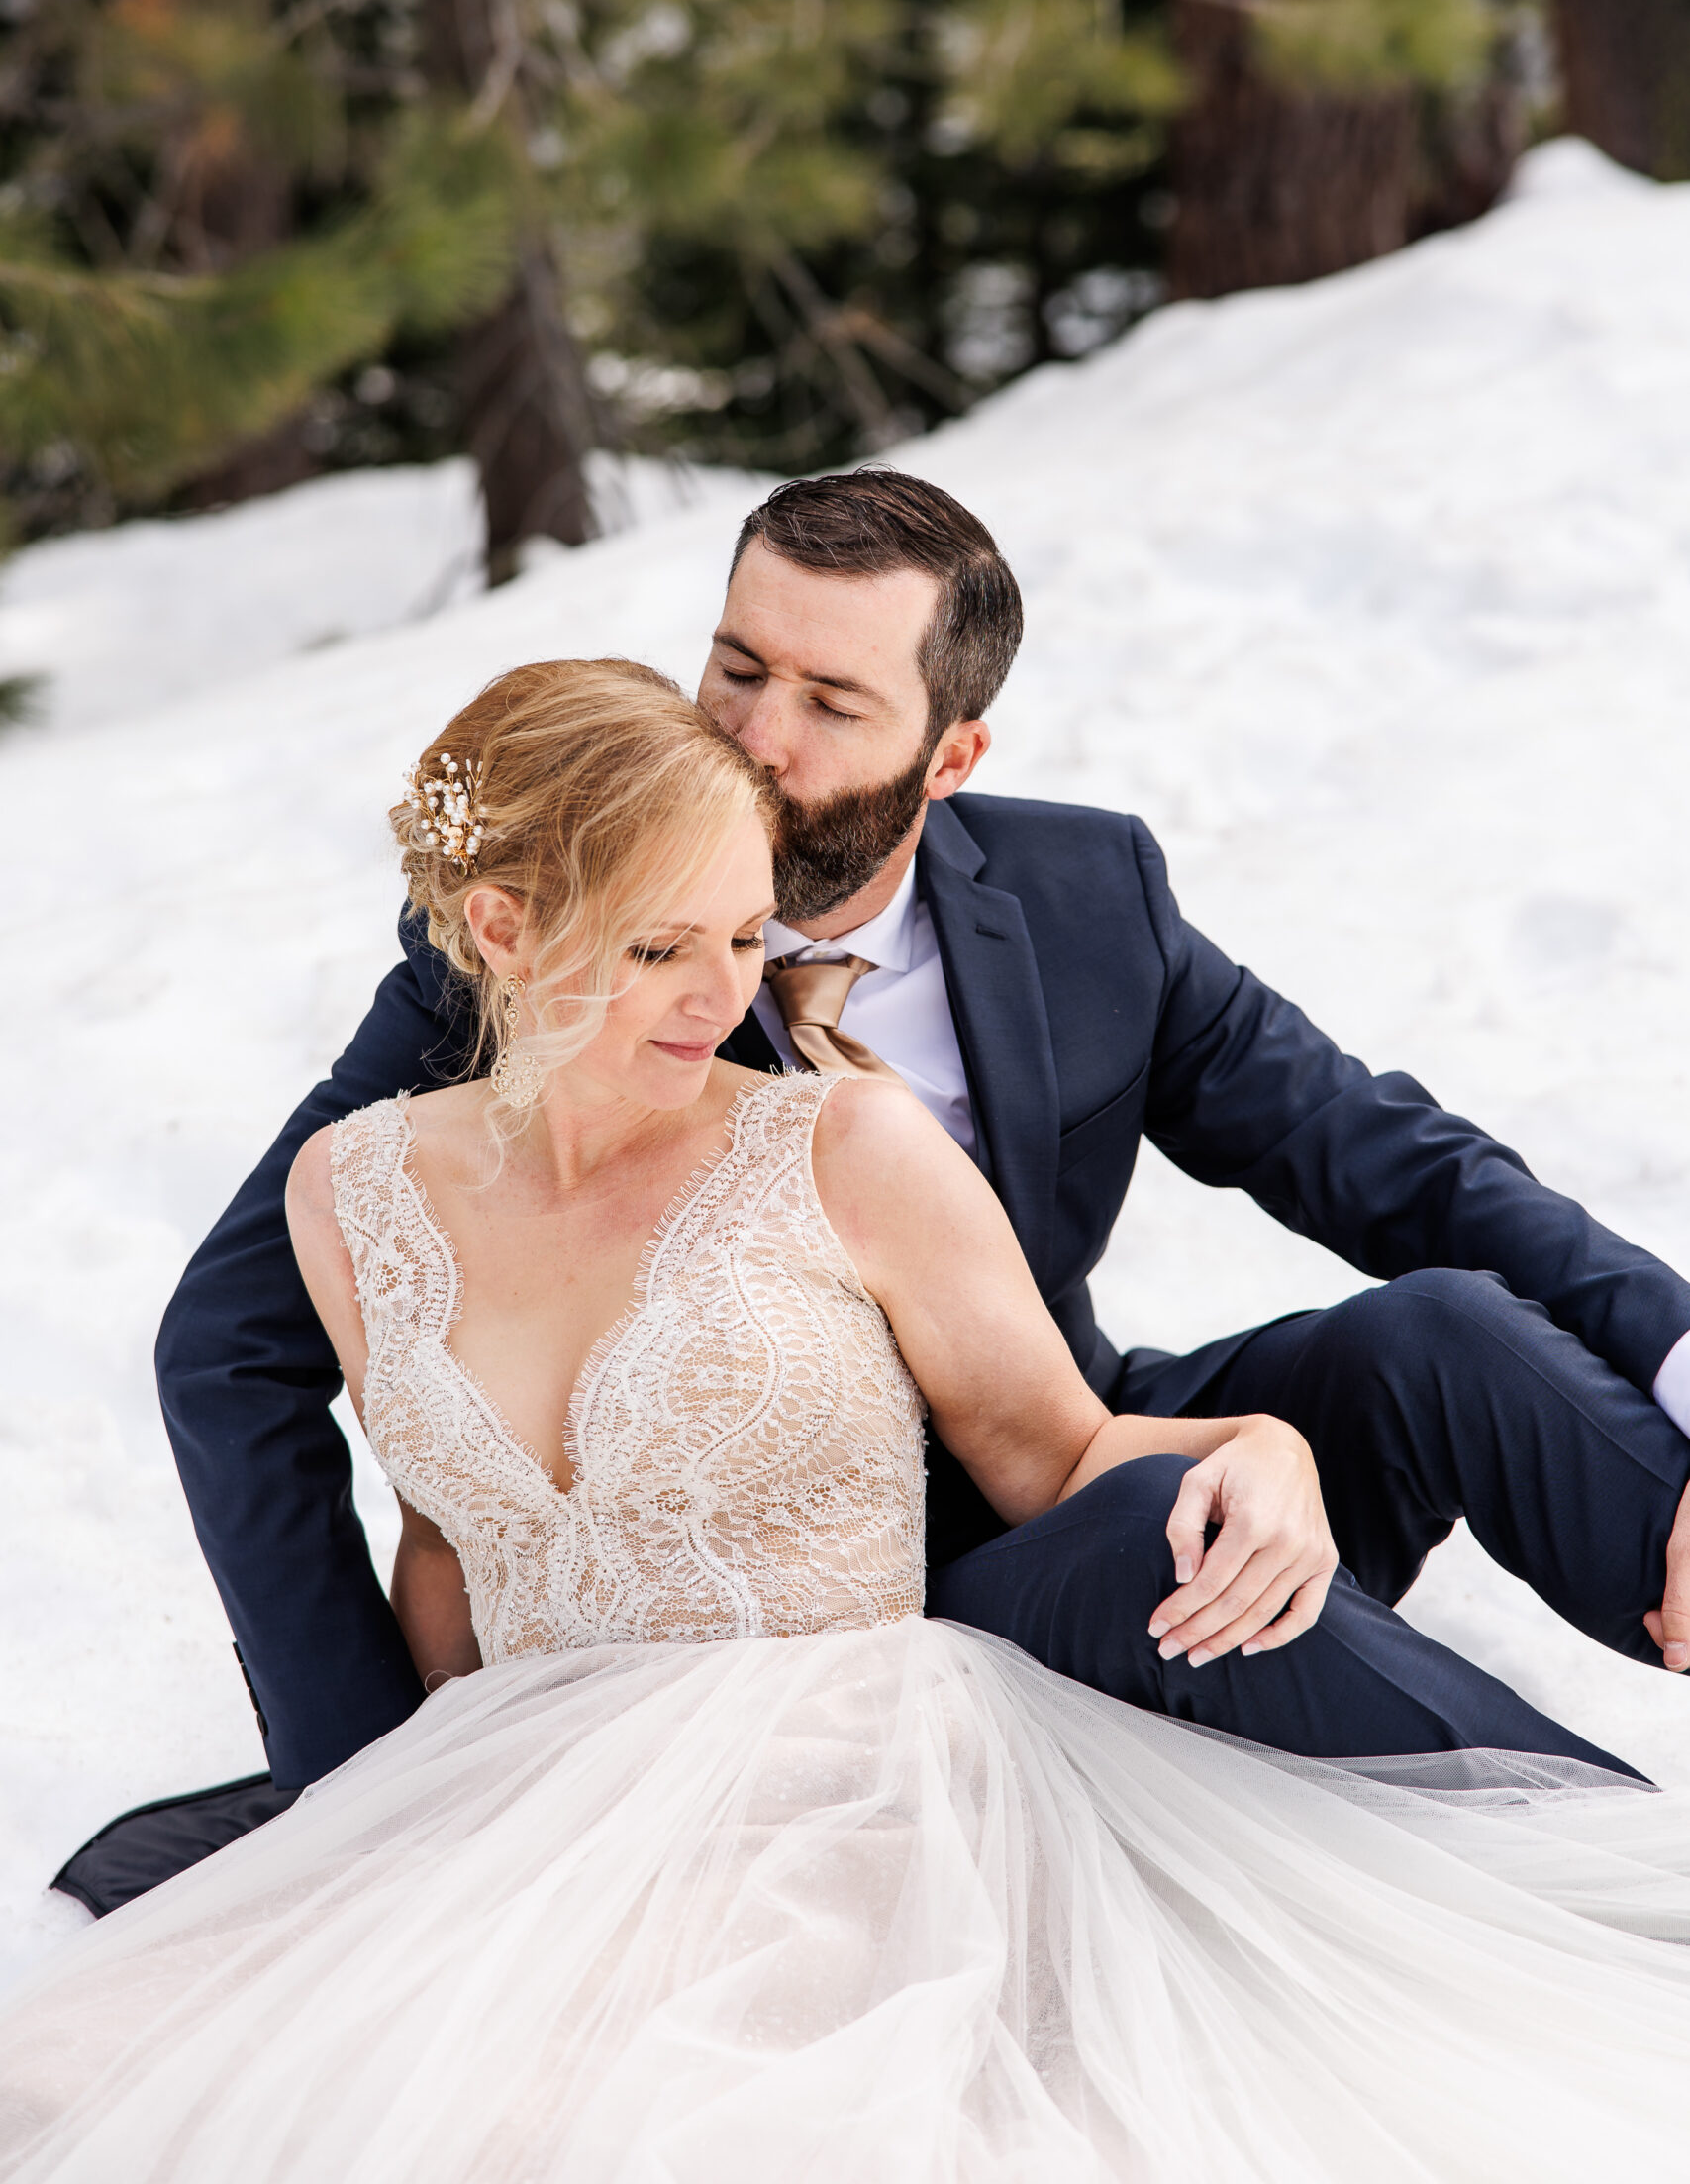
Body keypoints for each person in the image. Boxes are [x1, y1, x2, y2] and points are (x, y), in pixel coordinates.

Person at [8, 657, 1690, 2183]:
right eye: (662, 947)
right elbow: (444, 1535)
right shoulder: (350, 1189)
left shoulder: (849, 1144)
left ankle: (1602, 1860)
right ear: (505, 931)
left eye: (745, 940)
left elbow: (1069, 1445)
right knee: (141, 2092)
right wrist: (385, 1828)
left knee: (694, 2122)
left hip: (854, 1755)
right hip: (542, 1787)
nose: (715, 989)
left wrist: (1269, 1447)